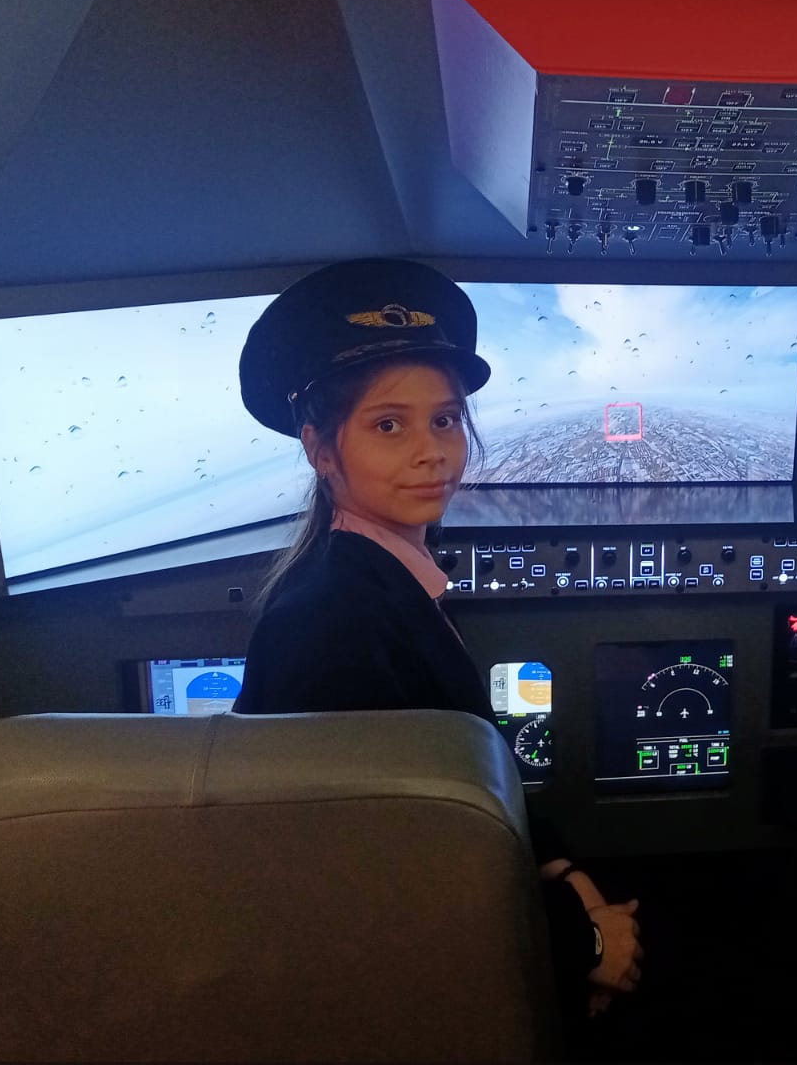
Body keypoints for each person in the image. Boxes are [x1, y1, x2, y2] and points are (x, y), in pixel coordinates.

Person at [231, 257, 641, 1027]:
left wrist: (565, 874)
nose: (433, 452)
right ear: (322, 450)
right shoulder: (332, 624)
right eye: (389, 425)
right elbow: (382, 872)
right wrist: (583, 941)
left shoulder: (369, 579)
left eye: (445, 419)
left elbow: (459, 788)